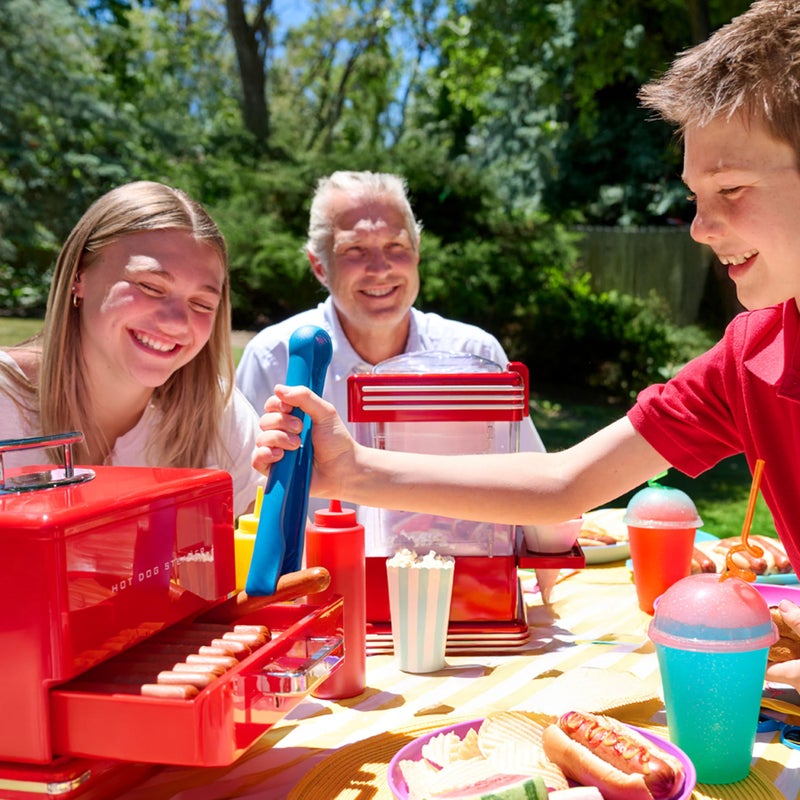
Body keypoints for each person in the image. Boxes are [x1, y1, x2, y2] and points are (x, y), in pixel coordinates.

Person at [253, 0, 800, 690]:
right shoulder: (750, 355)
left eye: (731, 187)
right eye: (695, 193)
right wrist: (352, 469)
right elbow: (565, 483)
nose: (699, 226)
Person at [0, 180, 263, 518]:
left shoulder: (219, 418)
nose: (176, 322)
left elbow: (278, 557)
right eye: (150, 286)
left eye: (201, 303)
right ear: (79, 275)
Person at [235, 169, 545, 453]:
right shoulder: (275, 358)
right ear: (319, 266)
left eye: (395, 246)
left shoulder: (476, 355)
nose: (380, 269)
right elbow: (243, 493)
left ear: (417, 250)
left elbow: (529, 482)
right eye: (354, 250)